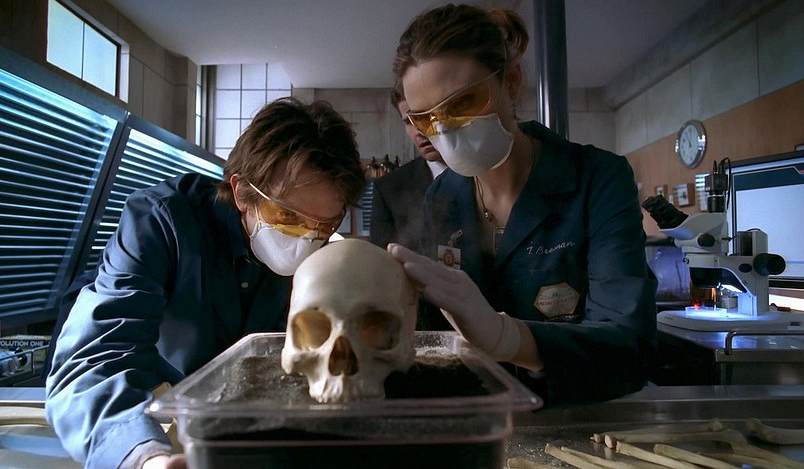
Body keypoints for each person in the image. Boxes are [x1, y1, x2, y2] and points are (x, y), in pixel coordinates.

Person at [45, 97, 366, 469]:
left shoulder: (320, 259)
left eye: (323, 225)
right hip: (151, 405)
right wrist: (144, 457)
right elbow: (96, 360)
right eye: (288, 218)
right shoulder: (163, 221)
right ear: (242, 192)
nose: (306, 240)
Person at [388, 4, 657, 406]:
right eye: (426, 118)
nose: (445, 130)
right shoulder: (441, 197)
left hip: (578, 414)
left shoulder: (597, 179)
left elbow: (628, 348)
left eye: (462, 103)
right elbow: (431, 334)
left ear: (511, 81)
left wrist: (508, 339)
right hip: (481, 414)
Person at [369, 87, 447, 253]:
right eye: (408, 122)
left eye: (425, 117)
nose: (419, 131)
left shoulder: (487, 171)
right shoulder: (389, 188)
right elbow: (380, 260)